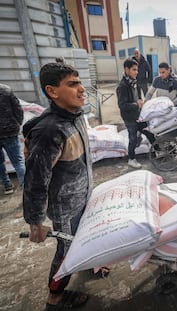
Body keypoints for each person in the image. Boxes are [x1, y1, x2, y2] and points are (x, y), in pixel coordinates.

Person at [22, 63, 93, 309]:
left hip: (81, 196)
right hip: (65, 207)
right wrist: (35, 222)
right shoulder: (49, 131)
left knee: (83, 239)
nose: (82, 89)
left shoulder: (75, 117)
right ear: (53, 92)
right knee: (66, 250)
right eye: (72, 84)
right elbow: (35, 182)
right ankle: (55, 296)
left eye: (79, 82)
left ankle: (87, 264)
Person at [117, 58, 147, 169]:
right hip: (129, 117)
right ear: (127, 69)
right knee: (132, 137)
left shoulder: (133, 82)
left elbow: (137, 97)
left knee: (148, 130)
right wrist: (136, 104)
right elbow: (122, 105)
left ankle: (157, 150)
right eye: (134, 70)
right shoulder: (123, 86)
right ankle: (131, 159)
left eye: (137, 70)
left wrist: (139, 103)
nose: (136, 72)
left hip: (137, 114)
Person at [0, 83, 25, 195]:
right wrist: (17, 124)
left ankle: (7, 186)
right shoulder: (6, 90)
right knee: (18, 162)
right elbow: (18, 109)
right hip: (10, 131)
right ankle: (25, 189)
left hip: (9, 130)